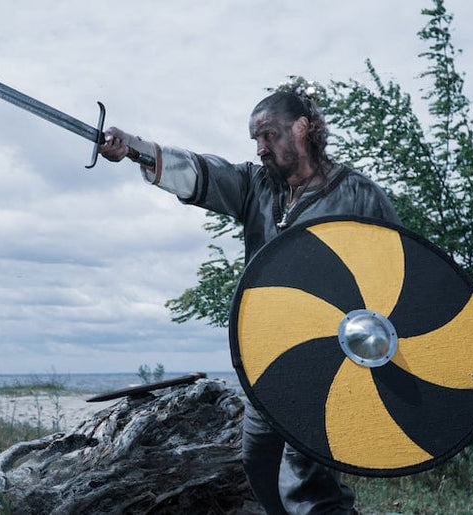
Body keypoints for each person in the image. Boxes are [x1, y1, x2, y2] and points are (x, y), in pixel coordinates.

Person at [99, 91, 401, 515]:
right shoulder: (258, 187)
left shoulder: (359, 196)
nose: (261, 148)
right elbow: (202, 172)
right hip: (266, 364)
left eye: (269, 135)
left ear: (303, 127)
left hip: (325, 367)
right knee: (258, 462)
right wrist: (134, 147)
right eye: (255, 139)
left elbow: (400, 278)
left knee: (309, 486)